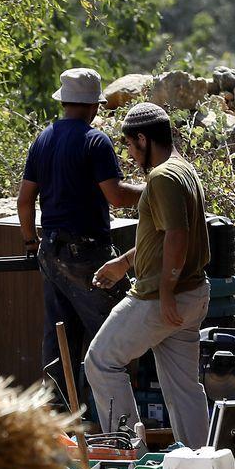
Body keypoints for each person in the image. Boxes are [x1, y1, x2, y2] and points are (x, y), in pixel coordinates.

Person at [84, 102, 212, 449]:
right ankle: (201, 465)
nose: (128, 152)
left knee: (100, 361)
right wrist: (123, 263)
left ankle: (127, 453)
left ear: (143, 138)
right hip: (193, 294)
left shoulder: (162, 178)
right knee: (183, 389)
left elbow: (178, 236)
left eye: (129, 144)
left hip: (160, 298)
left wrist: (167, 290)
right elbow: (160, 236)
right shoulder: (184, 169)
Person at [17, 68, 142, 410]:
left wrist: (32, 244)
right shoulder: (94, 141)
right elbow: (115, 196)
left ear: (65, 101)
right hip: (87, 253)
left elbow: (24, 200)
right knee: (117, 334)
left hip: (51, 252)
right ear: (94, 106)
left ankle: (63, 421)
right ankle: (117, 423)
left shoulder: (43, 139)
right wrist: (153, 192)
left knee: (61, 337)